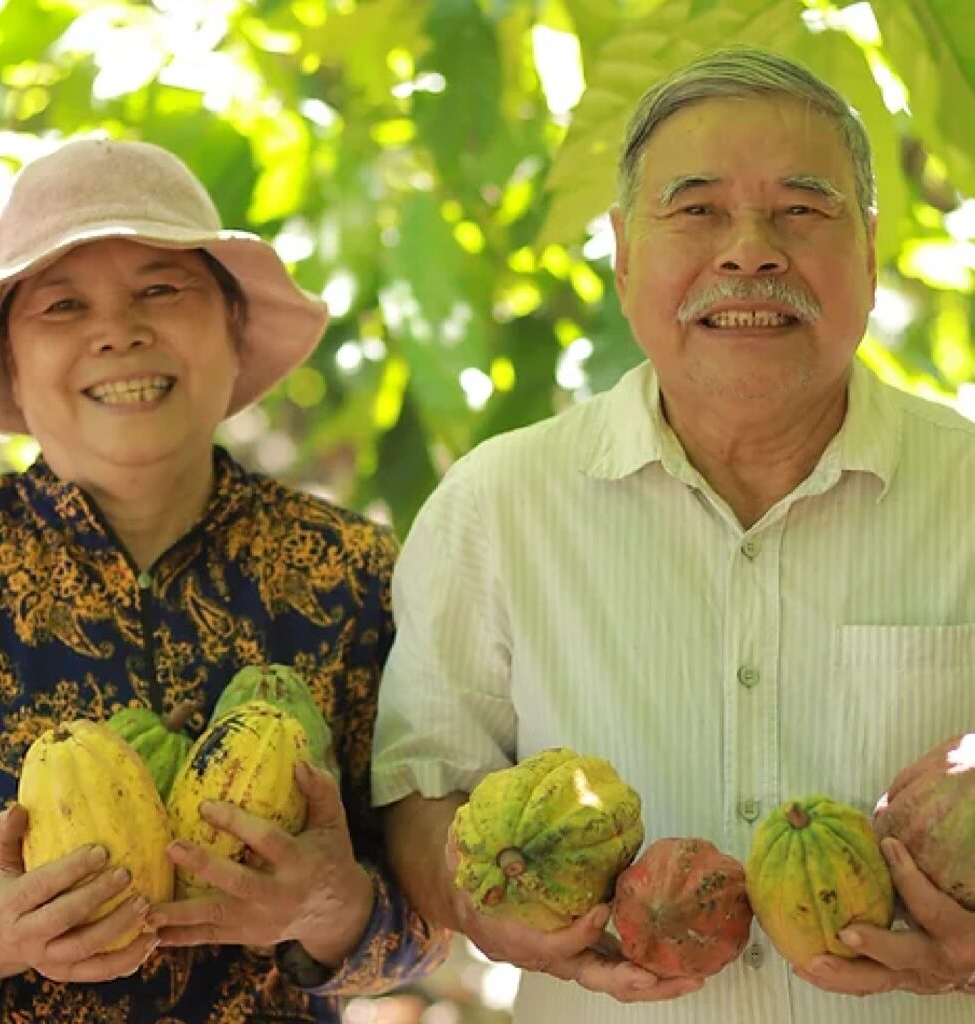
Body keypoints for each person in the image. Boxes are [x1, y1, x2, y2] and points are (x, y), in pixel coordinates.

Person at [371, 46, 975, 1024]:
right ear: (621, 253)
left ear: (868, 250)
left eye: (802, 209)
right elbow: (421, 789)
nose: (749, 252)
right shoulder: (499, 502)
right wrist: (489, 910)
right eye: (696, 210)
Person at [0, 137, 449, 1024]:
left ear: (233, 330)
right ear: (12, 367)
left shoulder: (356, 575)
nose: (119, 331)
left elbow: (441, 908)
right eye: (63, 304)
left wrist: (333, 909)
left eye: (161, 289)